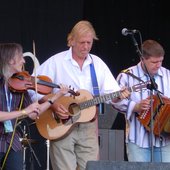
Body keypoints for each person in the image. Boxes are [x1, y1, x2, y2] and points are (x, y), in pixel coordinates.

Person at [29, 20, 130, 170]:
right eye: (82, 42)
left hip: (88, 127)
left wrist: (119, 95)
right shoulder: (57, 62)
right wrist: (54, 104)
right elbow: (33, 87)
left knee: (90, 168)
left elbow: (111, 95)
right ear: (71, 41)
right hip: (61, 125)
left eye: (89, 42)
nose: (86, 47)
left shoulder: (98, 64)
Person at [0, 43, 70, 170]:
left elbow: (33, 114)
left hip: (11, 142)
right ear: (10, 60)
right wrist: (23, 112)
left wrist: (56, 97)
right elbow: (24, 112)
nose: (24, 60)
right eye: (20, 57)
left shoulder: (20, 86)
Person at [116, 39, 170, 162]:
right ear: (142, 59)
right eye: (154, 62)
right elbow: (115, 102)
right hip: (138, 140)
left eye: (161, 61)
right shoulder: (126, 76)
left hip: (165, 140)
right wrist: (136, 107)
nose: (158, 65)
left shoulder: (168, 75)